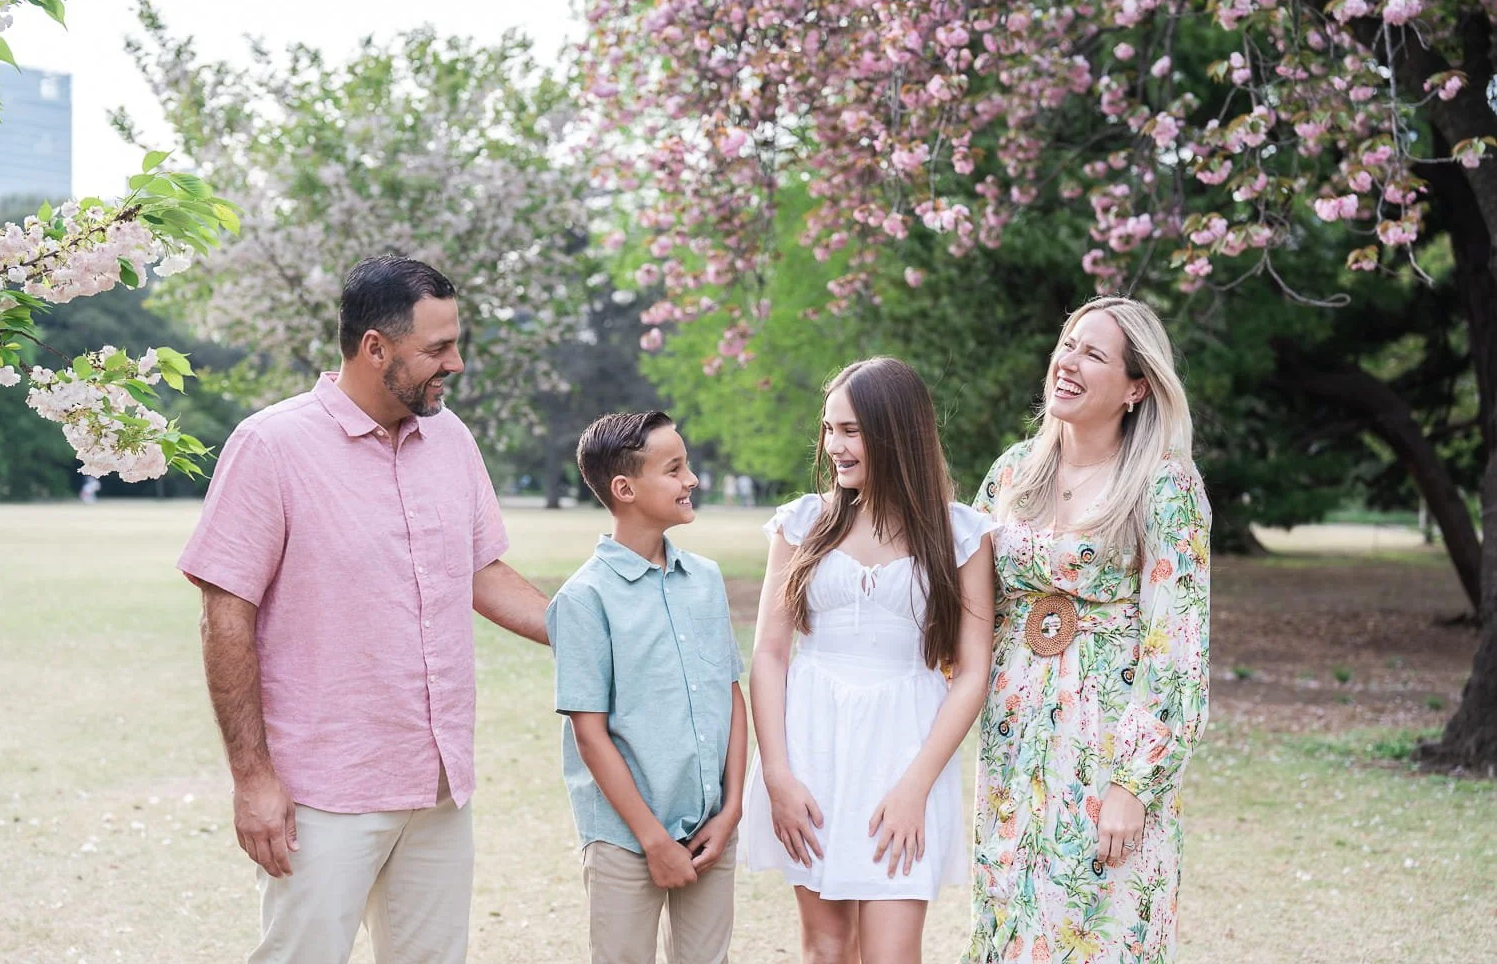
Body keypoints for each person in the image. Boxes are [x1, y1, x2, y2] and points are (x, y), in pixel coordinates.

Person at [177, 255, 550, 964]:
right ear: (375, 347)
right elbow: (224, 616)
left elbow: (480, 571)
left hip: (438, 782)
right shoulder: (270, 446)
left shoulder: (452, 439)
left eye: (455, 342)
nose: (457, 363)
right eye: (437, 349)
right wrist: (253, 778)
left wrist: (586, 629)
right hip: (324, 793)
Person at [963, 296, 1211, 964]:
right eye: (1068, 344)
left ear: (1136, 386)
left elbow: (1177, 651)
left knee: (1104, 936)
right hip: (1014, 752)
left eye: (1093, 353)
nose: (1067, 362)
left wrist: (1134, 786)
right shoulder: (1013, 472)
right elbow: (963, 607)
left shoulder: (1164, 486)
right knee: (1013, 929)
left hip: (1106, 756)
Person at [742, 357, 997, 963]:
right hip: (811, 747)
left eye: (851, 430)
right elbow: (771, 653)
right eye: (829, 429)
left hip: (904, 751)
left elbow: (973, 671)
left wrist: (915, 786)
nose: (834, 445)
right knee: (827, 948)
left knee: (891, 954)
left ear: (896, 431)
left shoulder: (960, 534)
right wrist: (777, 774)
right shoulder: (805, 524)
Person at [549, 411, 748, 964]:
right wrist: (654, 842)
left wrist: (730, 811)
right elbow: (590, 737)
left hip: (711, 828)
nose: (692, 480)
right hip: (623, 837)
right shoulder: (583, 599)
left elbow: (731, 696)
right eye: (675, 469)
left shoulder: (705, 579)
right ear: (625, 488)